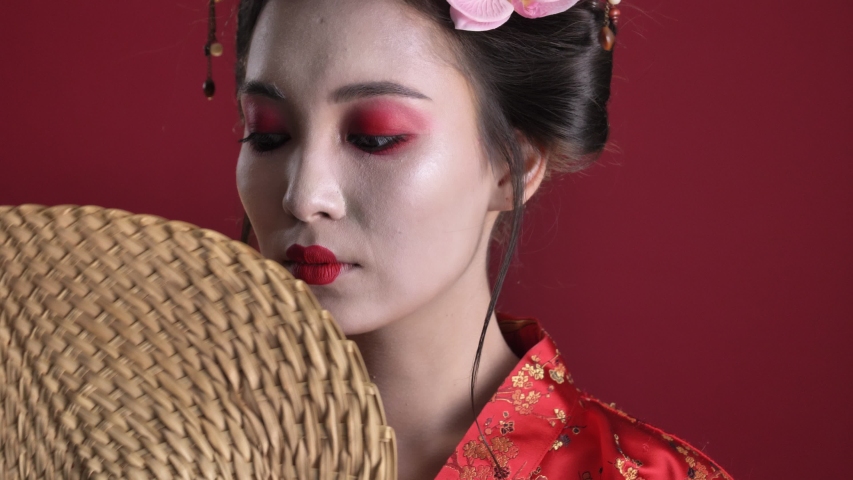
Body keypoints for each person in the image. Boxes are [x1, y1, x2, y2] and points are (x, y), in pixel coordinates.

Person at [233, 0, 732, 478]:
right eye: (267, 134)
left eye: (375, 138)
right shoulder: (177, 450)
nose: (303, 196)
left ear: (512, 165)